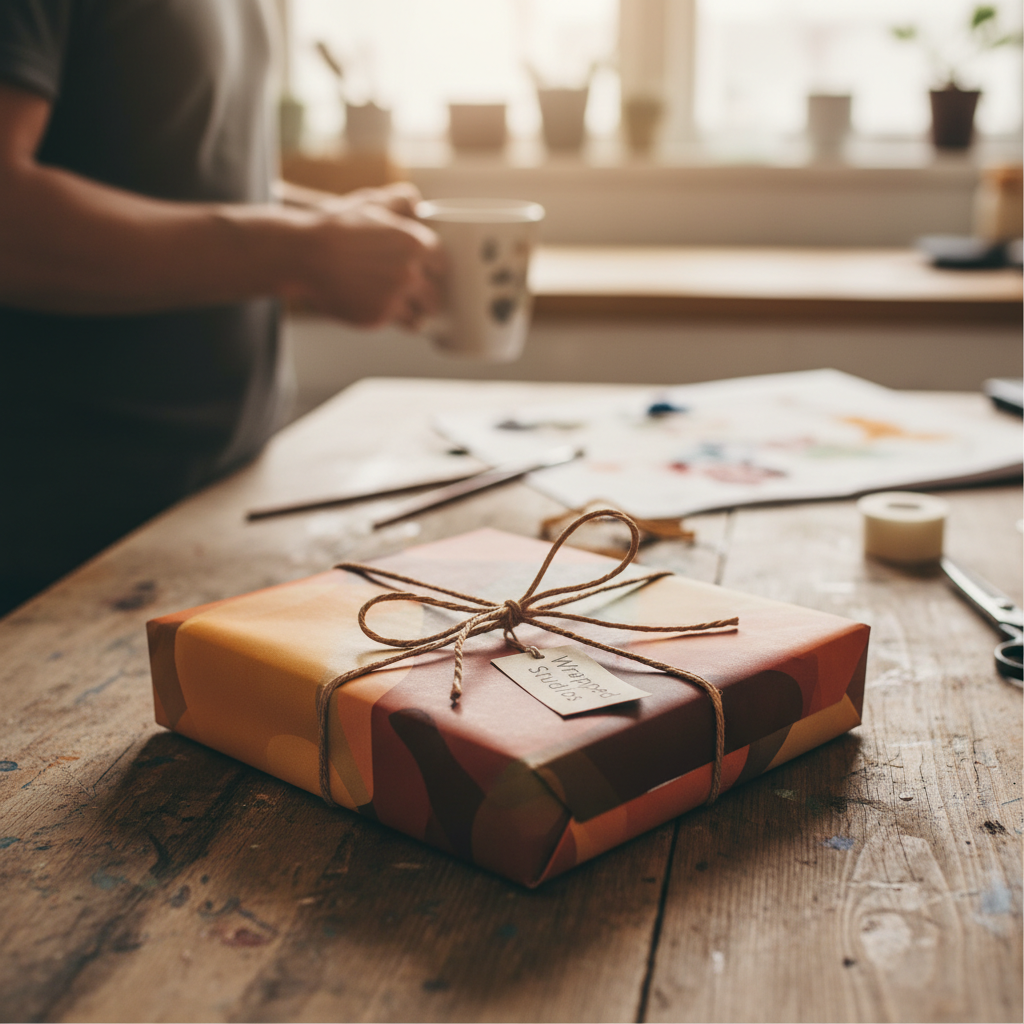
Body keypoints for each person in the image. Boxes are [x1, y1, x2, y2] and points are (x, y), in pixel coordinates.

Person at [0, 1, 442, 614]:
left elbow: (177, 169)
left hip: (226, 501)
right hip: (57, 552)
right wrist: (303, 252)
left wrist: (332, 228)